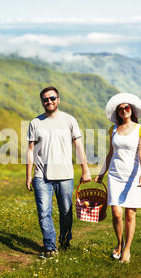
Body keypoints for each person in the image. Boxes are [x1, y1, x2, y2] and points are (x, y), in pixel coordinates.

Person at [26, 86, 92, 258]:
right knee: (44, 212)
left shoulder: (70, 120)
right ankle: (50, 247)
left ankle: (65, 239)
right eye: (46, 100)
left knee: (66, 211)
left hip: (65, 175)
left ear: (58, 99)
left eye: (52, 98)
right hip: (42, 176)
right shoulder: (35, 123)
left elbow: (78, 146)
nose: (49, 101)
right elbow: (30, 150)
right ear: (42, 102)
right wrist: (28, 175)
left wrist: (85, 170)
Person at [95, 93, 141, 263]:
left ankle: (127, 249)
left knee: (130, 215)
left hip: (132, 176)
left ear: (132, 110)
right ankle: (120, 242)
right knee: (117, 213)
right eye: (121, 109)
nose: (124, 110)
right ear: (117, 113)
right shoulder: (113, 130)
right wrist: (102, 173)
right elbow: (111, 153)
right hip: (115, 175)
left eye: (127, 108)